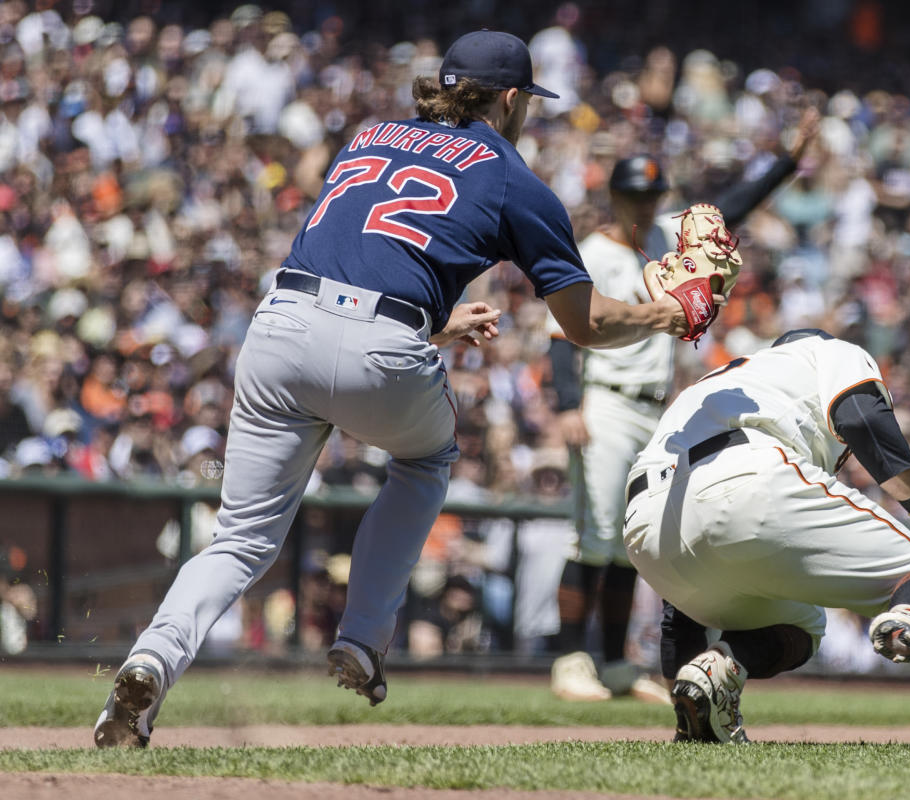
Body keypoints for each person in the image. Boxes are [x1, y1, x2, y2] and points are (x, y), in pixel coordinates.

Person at [93, 29, 697, 748]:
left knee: (241, 538)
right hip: (382, 347)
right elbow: (588, 323)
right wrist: (669, 312)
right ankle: (364, 637)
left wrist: (432, 322)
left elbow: (363, 258)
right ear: (510, 99)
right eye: (524, 102)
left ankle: (151, 659)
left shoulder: (370, 134)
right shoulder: (512, 176)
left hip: (281, 325)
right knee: (426, 460)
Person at [547, 110, 822, 704]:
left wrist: (786, 162)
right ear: (614, 195)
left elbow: (731, 214)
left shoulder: (664, 250)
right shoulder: (593, 250)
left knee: (629, 542)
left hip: (654, 407)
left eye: (651, 194)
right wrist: (568, 403)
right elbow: (560, 335)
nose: (643, 205)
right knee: (593, 533)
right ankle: (571, 657)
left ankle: (616, 664)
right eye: (632, 194)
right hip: (605, 399)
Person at [622, 328, 910, 743]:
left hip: (644, 527)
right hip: (742, 476)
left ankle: (716, 678)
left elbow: (676, 619)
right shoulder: (824, 350)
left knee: (802, 623)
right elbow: (861, 417)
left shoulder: (721, 381)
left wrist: (683, 705)